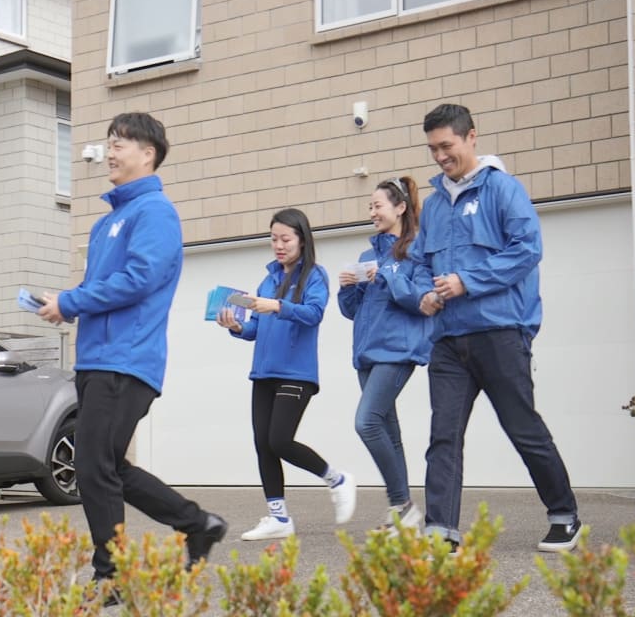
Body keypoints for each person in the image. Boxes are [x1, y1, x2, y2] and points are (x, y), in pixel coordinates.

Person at [38, 112, 227, 593]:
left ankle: (110, 575)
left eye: (121, 142)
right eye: (109, 142)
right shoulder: (108, 223)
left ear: (149, 153)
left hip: (127, 360)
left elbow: (140, 279)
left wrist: (74, 302)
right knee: (105, 466)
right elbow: (100, 285)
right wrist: (63, 303)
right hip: (97, 359)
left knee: (92, 467)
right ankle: (197, 524)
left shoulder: (155, 212)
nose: (111, 151)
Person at [409, 103, 582, 553]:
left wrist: (467, 280)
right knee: (443, 435)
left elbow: (528, 249)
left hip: (500, 331)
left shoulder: (504, 190)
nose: (440, 156)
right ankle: (441, 529)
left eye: (446, 146)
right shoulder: (432, 206)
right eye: (432, 149)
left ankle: (564, 514)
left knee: (522, 427)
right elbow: (421, 264)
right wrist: (424, 294)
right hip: (448, 339)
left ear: (471, 137)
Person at [215, 208, 356, 541]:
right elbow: (256, 330)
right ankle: (279, 518)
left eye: (285, 239)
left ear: (302, 241)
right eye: (274, 239)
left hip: (297, 372)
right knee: (263, 444)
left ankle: (336, 479)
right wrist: (236, 327)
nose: (278, 245)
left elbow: (313, 314)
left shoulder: (314, 276)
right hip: (263, 372)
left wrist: (275, 306)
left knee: (279, 439)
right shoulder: (268, 279)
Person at [337, 176, 431, 531]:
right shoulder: (367, 255)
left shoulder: (417, 249)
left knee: (366, 421)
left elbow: (419, 299)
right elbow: (352, 311)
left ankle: (402, 505)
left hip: (398, 348)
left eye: (378, 205)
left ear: (400, 207)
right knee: (389, 433)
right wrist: (347, 289)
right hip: (367, 351)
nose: (372, 212)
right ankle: (400, 516)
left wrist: (387, 274)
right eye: (370, 207)